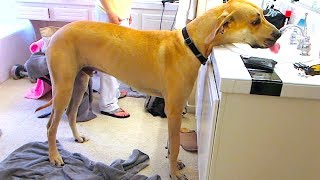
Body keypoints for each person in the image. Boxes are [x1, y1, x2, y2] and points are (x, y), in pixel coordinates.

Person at [95, 0, 132, 118]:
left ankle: (113, 93)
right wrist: (110, 11)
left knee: (119, 59)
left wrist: (127, 13)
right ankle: (108, 104)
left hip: (120, 14)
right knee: (109, 60)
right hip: (109, 14)